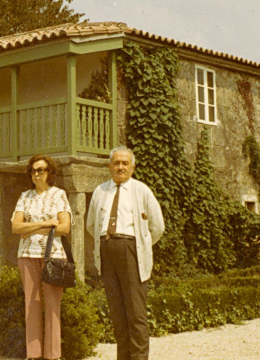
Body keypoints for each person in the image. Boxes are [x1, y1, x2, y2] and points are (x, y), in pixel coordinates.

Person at [86, 146, 165, 360]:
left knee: (136, 313)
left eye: (125, 163)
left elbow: (157, 226)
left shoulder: (141, 191)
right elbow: (91, 225)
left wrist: (139, 244)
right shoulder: (100, 191)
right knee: (117, 314)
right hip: (106, 252)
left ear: (132, 168)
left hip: (131, 251)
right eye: (116, 163)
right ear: (109, 166)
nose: (120, 167)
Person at [11, 154, 72, 360]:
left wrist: (30, 228)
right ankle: (34, 355)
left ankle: (53, 356)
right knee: (31, 304)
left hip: (53, 256)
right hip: (27, 254)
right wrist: (46, 224)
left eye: (41, 170)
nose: (36, 174)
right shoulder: (24, 196)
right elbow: (15, 227)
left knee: (53, 305)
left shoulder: (59, 195)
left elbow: (64, 227)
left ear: (49, 173)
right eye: (33, 170)